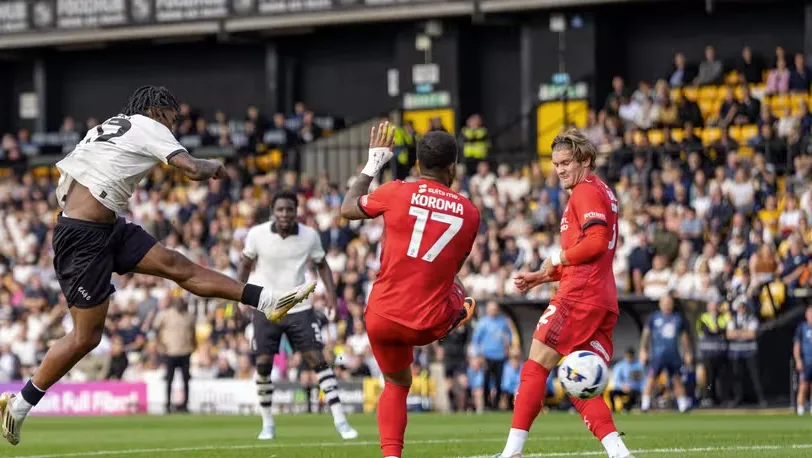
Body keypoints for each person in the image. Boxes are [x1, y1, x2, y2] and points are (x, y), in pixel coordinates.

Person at [0, 86, 316, 446]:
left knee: (176, 265)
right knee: (86, 337)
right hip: (84, 238)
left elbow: (71, 178)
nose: (175, 124)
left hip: (102, 227)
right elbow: (192, 168)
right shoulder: (149, 125)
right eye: (173, 117)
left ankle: (266, 300)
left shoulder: (109, 125)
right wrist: (216, 166)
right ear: (157, 110)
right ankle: (21, 404)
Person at [339, 121, 479, 458]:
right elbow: (452, 269)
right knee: (459, 288)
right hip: (427, 323)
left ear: (417, 165)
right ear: (453, 168)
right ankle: (456, 315)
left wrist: (374, 163)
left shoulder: (395, 191)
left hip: (382, 317)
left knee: (397, 384)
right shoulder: (471, 213)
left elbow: (346, 209)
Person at [492, 129, 634, 458]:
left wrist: (557, 258)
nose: (560, 170)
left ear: (585, 160)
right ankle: (619, 452)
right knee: (576, 378)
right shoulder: (601, 191)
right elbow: (586, 250)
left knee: (536, 364)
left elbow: (595, 244)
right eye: (556, 164)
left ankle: (511, 452)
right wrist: (542, 276)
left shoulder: (584, 192)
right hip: (601, 297)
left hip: (579, 295)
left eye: (566, 162)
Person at [237, 190, 358, 440]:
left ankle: (340, 421)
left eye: (289, 209)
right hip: (265, 306)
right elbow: (245, 264)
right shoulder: (257, 235)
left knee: (317, 359)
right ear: (272, 210)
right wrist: (240, 295)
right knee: (262, 365)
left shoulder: (310, 236)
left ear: (296, 211)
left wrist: (332, 299)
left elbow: (322, 264)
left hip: (299, 307)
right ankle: (267, 424)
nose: (284, 214)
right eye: (280, 209)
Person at [639, 292, 693, 413]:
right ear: (660, 304)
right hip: (657, 354)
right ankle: (645, 404)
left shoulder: (678, 318)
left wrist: (688, 352)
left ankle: (683, 405)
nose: (667, 305)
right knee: (651, 378)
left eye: (669, 303)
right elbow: (646, 335)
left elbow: (684, 338)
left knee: (676, 379)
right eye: (665, 303)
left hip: (673, 354)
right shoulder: (654, 317)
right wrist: (643, 350)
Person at [793, 304, 812, 415]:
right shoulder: (802, 327)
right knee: (803, 384)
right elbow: (797, 345)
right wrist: (798, 360)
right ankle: (800, 407)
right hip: (806, 361)